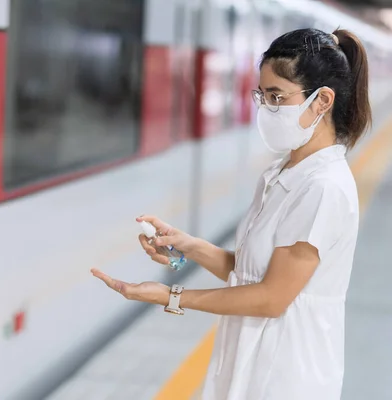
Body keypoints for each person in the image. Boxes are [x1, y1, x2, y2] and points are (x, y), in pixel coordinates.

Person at [92, 27, 371, 400]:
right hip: (249, 367)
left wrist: (170, 296)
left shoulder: (323, 188)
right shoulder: (280, 174)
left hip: (286, 377)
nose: (264, 108)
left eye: (277, 97)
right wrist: (187, 247)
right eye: (262, 95)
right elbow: (251, 273)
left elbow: (272, 297)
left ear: (321, 102)